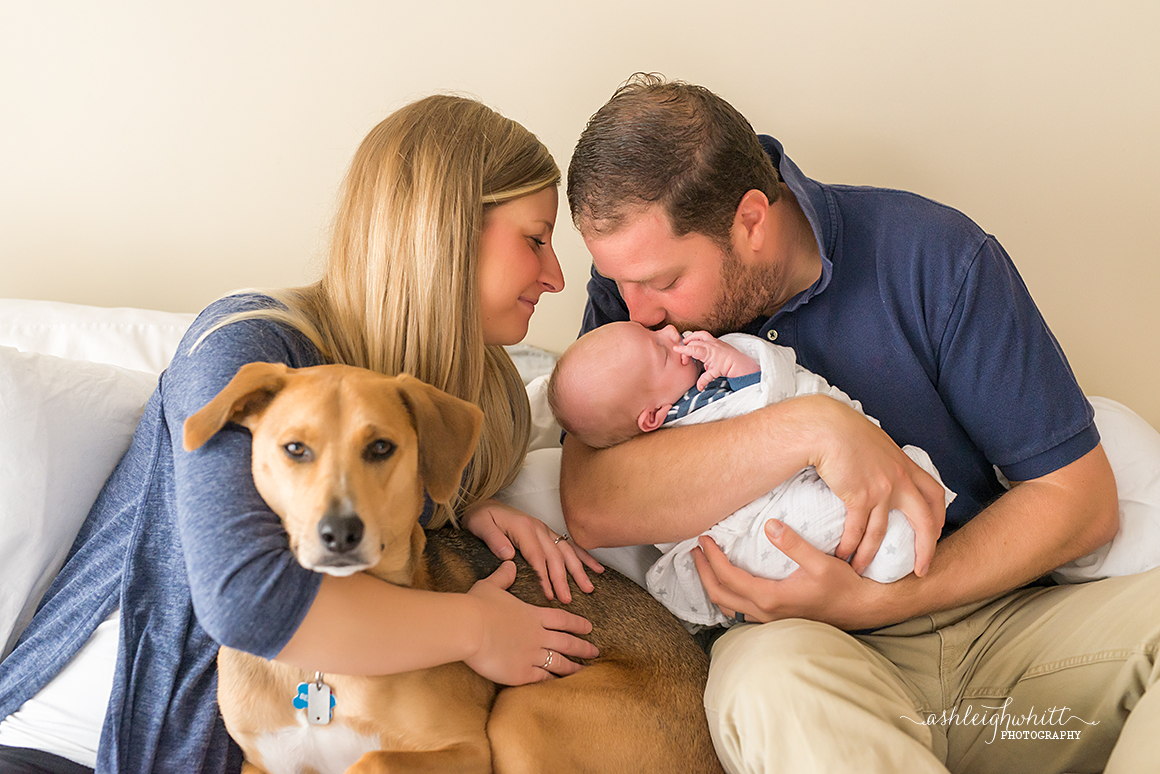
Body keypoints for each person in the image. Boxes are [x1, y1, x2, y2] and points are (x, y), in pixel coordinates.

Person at [561, 74, 1159, 774]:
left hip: (1002, 627)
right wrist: (815, 427)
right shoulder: (632, 315)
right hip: (807, 652)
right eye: (618, 283)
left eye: (663, 282)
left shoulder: (932, 256)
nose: (635, 312)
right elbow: (595, 503)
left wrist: (880, 597)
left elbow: (1079, 502)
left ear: (752, 220)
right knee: (766, 685)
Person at [0, 94, 605, 774]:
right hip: (81, 739)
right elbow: (249, 601)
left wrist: (476, 506)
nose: (556, 276)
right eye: (535, 238)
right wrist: (480, 628)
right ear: (448, 233)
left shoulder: (465, 403)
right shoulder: (246, 343)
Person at [548, 321, 953, 628]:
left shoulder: (709, 379)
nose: (670, 329)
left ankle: (887, 538)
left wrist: (741, 366)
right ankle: (880, 542)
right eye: (660, 349)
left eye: (655, 331)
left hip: (815, 486)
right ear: (651, 418)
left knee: (885, 498)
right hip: (759, 530)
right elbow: (612, 506)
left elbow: (774, 390)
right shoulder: (668, 422)